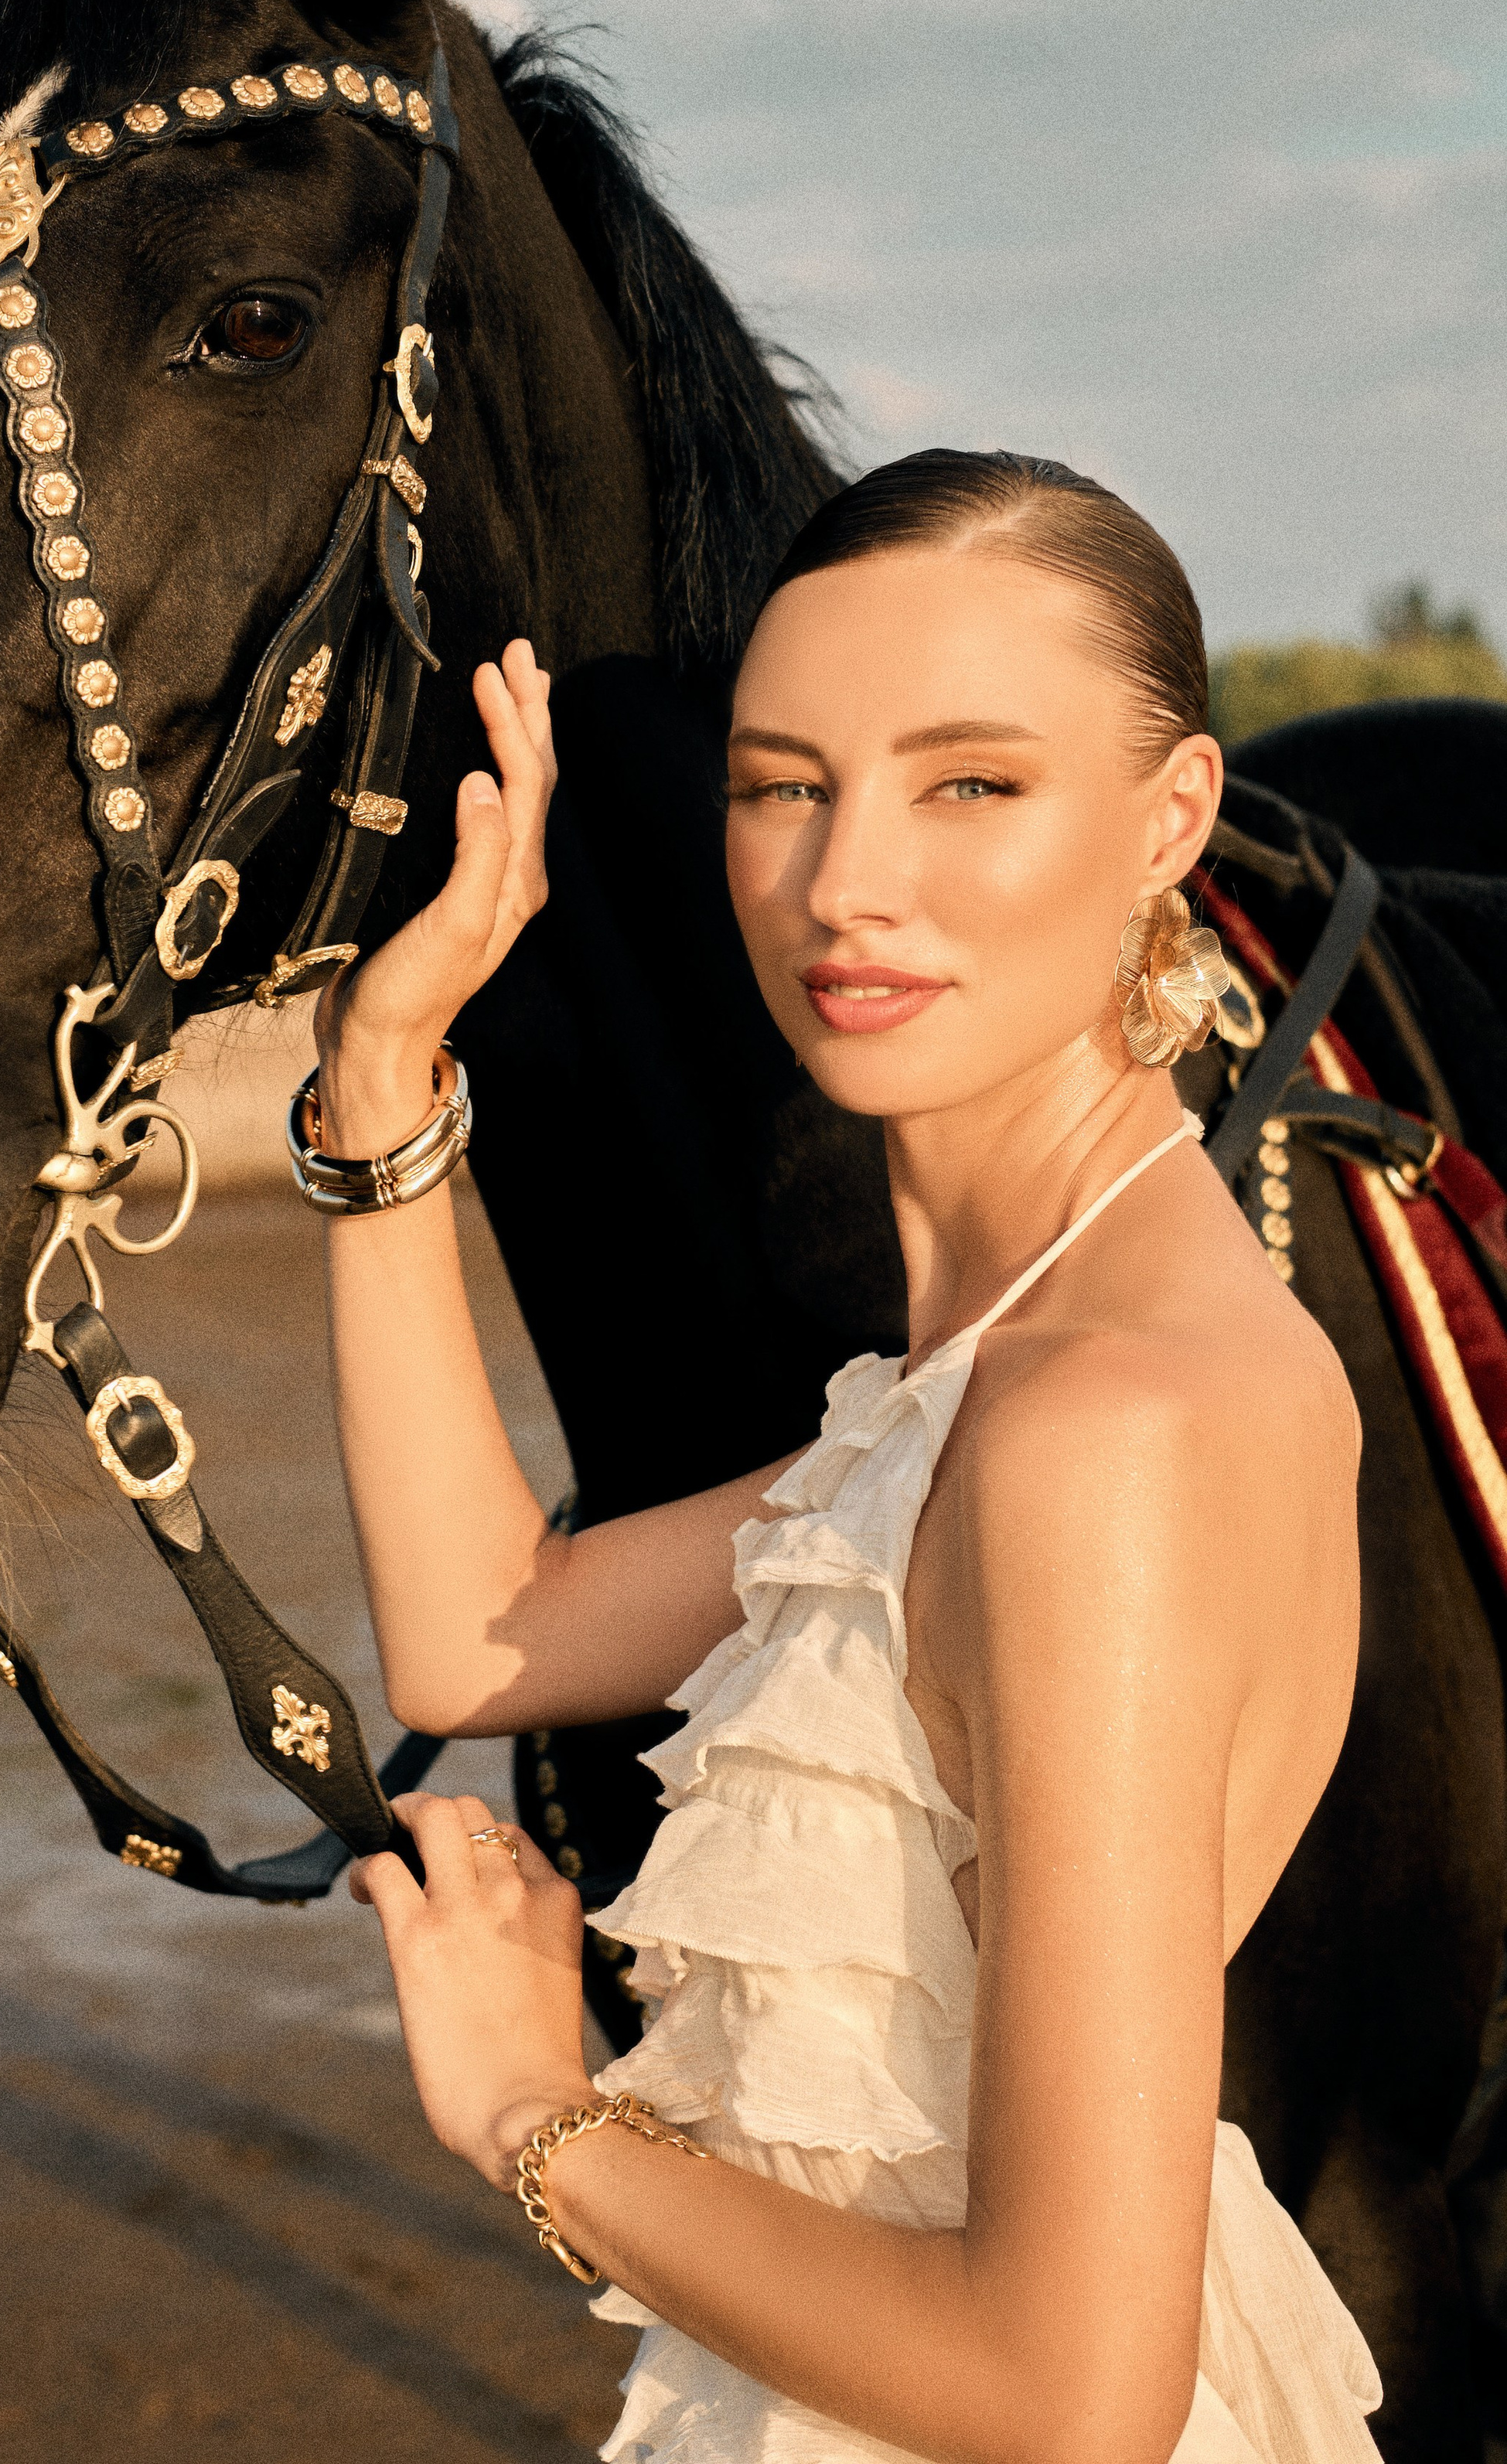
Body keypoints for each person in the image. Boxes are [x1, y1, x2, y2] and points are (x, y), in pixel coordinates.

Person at [303, 448, 1383, 2463]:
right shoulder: (999, 1364)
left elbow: (1071, 2394)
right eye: (783, 781)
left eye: (971, 780)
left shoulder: (1096, 1429)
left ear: (1174, 818)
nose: (843, 877)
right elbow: (481, 1638)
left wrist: (541, 2113)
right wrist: (384, 1082)